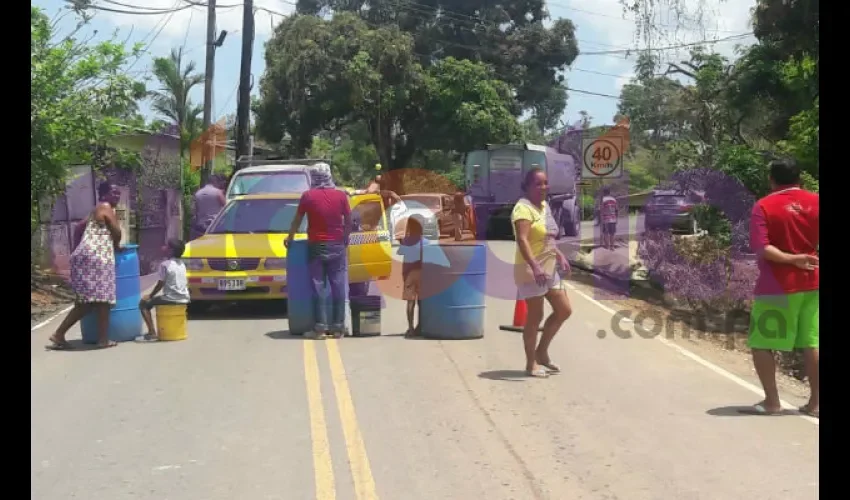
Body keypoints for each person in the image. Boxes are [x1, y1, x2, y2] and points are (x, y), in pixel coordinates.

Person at [743, 159, 819, 417]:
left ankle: (772, 402)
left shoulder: (763, 206)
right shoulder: (815, 201)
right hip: (813, 282)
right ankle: (815, 404)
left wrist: (790, 259)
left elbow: (763, 248)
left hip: (777, 286)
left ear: (772, 179)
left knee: (762, 343)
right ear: (800, 179)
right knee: (811, 342)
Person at [512, 168, 573, 378]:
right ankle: (531, 364)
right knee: (534, 317)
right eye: (538, 184)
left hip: (548, 266)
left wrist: (560, 255)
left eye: (545, 183)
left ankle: (542, 353)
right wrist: (535, 266)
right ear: (528, 186)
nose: (543, 187)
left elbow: (547, 236)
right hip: (530, 269)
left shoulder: (544, 206)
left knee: (564, 310)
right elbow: (522, 239)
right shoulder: (523, 209)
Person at [47, 182, 123, 350]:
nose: (117, 196)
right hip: (96, 259)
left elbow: (80, 227)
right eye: (113, 193)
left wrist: (77, 248)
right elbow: (117, 232)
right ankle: (98, 339)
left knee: (93, 301)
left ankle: (61, 335)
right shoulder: (105, 207)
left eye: (118, 193)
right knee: (97, 300)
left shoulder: (96, 210)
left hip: (89, 257)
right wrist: (117, 243)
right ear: (103, 195)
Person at [285, 164, 352, 339]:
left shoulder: (308, 196)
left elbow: (297, 220)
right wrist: (345, 238)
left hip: (316, 245)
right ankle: (338, 327)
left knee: (318, 286)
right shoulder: (341, 195)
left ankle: (320, 328)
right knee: (338, 285)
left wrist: (290, 238)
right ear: (329, 176)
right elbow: (349, 220)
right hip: (337, 245)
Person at [137, 239, 191, 342]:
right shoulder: (182, 264)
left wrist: (150, 295)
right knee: (154, 300)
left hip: (171, 298)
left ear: (171, 251)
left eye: (167, 246)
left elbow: (160, 284)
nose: (164, 248)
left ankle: (152, 332)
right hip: (184, 297)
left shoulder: (165, 264)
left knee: (143, 304)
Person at [398, 216, 425, 337]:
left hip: (409, 274)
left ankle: (410, 328)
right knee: (421, 302)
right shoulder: (424, 241)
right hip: (421, 273)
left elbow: (401, 252)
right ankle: (420, 326)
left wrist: (402, 241)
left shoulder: (407, 241)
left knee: (410, 302)